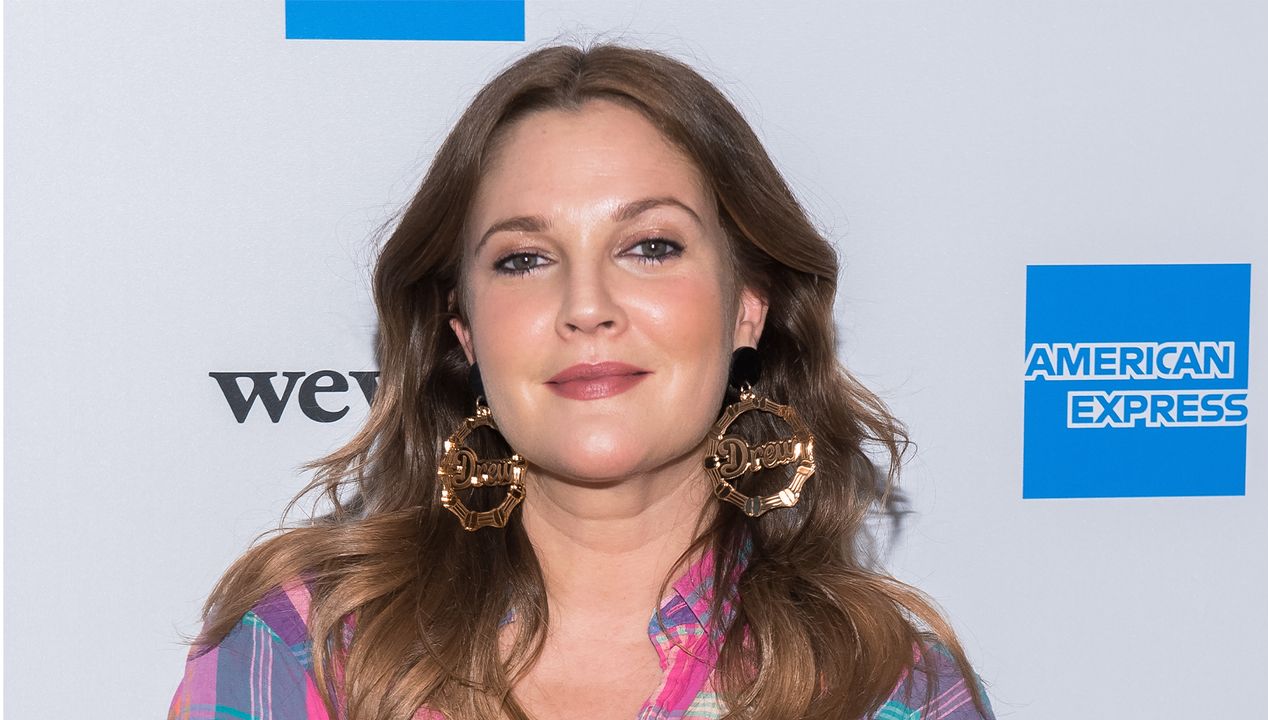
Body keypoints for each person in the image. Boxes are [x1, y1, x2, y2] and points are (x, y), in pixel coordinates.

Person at [168, 43, 995, 720]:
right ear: (463, 328)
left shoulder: (886, 688)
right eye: (524, 259)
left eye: (651, 247)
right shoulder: (303, 649)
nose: (586, 306)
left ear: (750, 304)